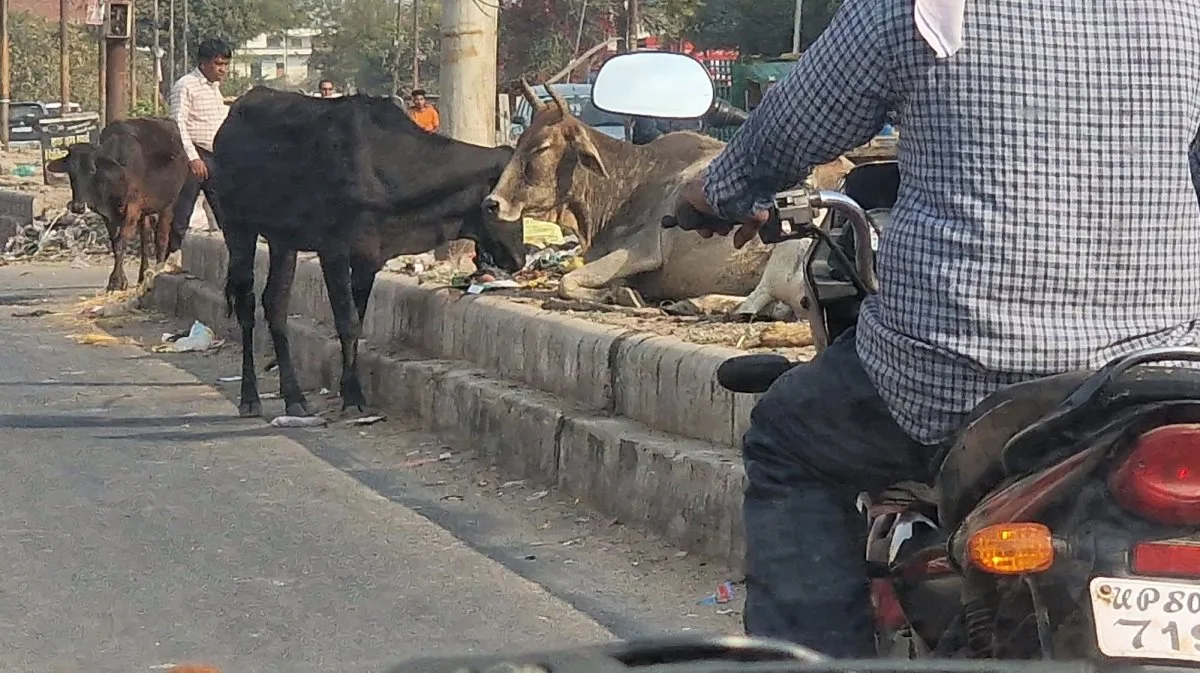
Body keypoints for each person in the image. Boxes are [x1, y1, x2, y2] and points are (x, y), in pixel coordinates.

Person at [669, 0, 1200, 658]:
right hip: (1145, 379)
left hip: (956, 369)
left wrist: (715, 193)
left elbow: (791, 126)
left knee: (788, 445)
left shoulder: (922, 8)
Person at [165, 37, 231, 270]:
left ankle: (229, 258)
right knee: (182, 210)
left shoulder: (214, 88)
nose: (223, 69)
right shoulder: (186, 86)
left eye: (225, 64)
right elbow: (178, 124)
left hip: (216, 157)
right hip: (192, 157)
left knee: (225, 210)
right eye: (218, 64)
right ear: (204, 63)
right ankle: (172, 258)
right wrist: (193, 158)